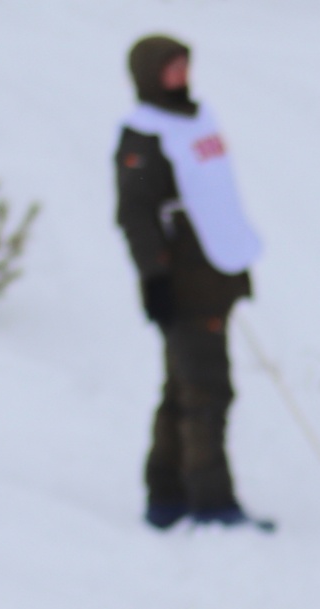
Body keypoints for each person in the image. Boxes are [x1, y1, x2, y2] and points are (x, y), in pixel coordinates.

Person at [114, 35, 268, 531]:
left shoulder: (196, 120)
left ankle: (166, 493)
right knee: (206, 390)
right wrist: (154, 278)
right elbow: (135, 215)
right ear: (148, 76)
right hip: (183, 282)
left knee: (183, 385)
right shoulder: (143, 136)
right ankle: (212, 501)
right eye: (170, 69)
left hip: (214, 273)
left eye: (183, 65)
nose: (181, 75)